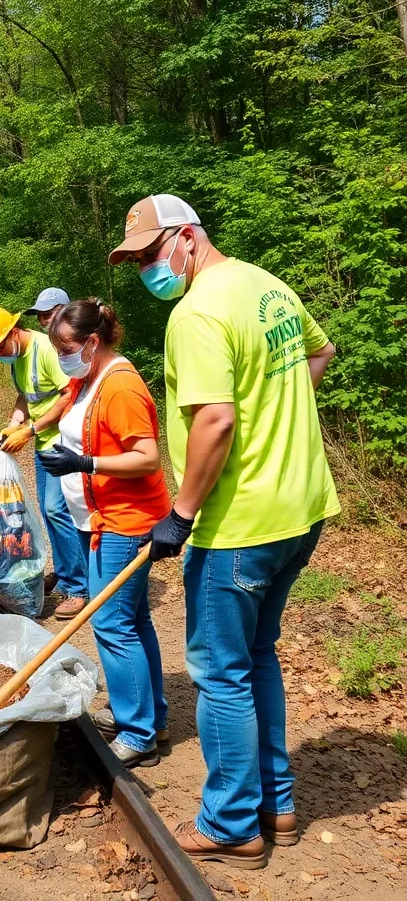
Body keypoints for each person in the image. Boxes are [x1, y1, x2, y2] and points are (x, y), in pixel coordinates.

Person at [111, 193, 340, 869]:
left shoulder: (198, 311)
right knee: (257, 655)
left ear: (187, 238)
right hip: (300, 510)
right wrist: (281, 412)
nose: (150, 269)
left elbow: (214, 420)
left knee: (218, 671)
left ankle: (232, 822)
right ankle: (278, 802)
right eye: (138, 261)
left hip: (237, 525)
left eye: (153, 253)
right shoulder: (266, 286)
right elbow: (319, 354)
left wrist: (180, 512)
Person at [40, 299, 172, 768]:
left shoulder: (121, 388)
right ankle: (148, 716)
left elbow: (148, 457)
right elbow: (68, 407)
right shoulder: (89, 376)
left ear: (92, 343)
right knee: (133, 620)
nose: (62, 357)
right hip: (103, 519)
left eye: (67, 347)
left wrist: (83, 463)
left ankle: (138, 733)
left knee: (113, 624)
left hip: (127, 521)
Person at [0, 306, 88, 616]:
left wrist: (30, 430)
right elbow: (26, 396)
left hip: (63, 441)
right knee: (48, 511)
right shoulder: (17, 360)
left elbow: (69, 394)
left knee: (56, 509)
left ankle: (79, 588)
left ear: (14, 332)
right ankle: (66, 577)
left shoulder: (45, 349)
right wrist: (15, 423)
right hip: (42, 442)